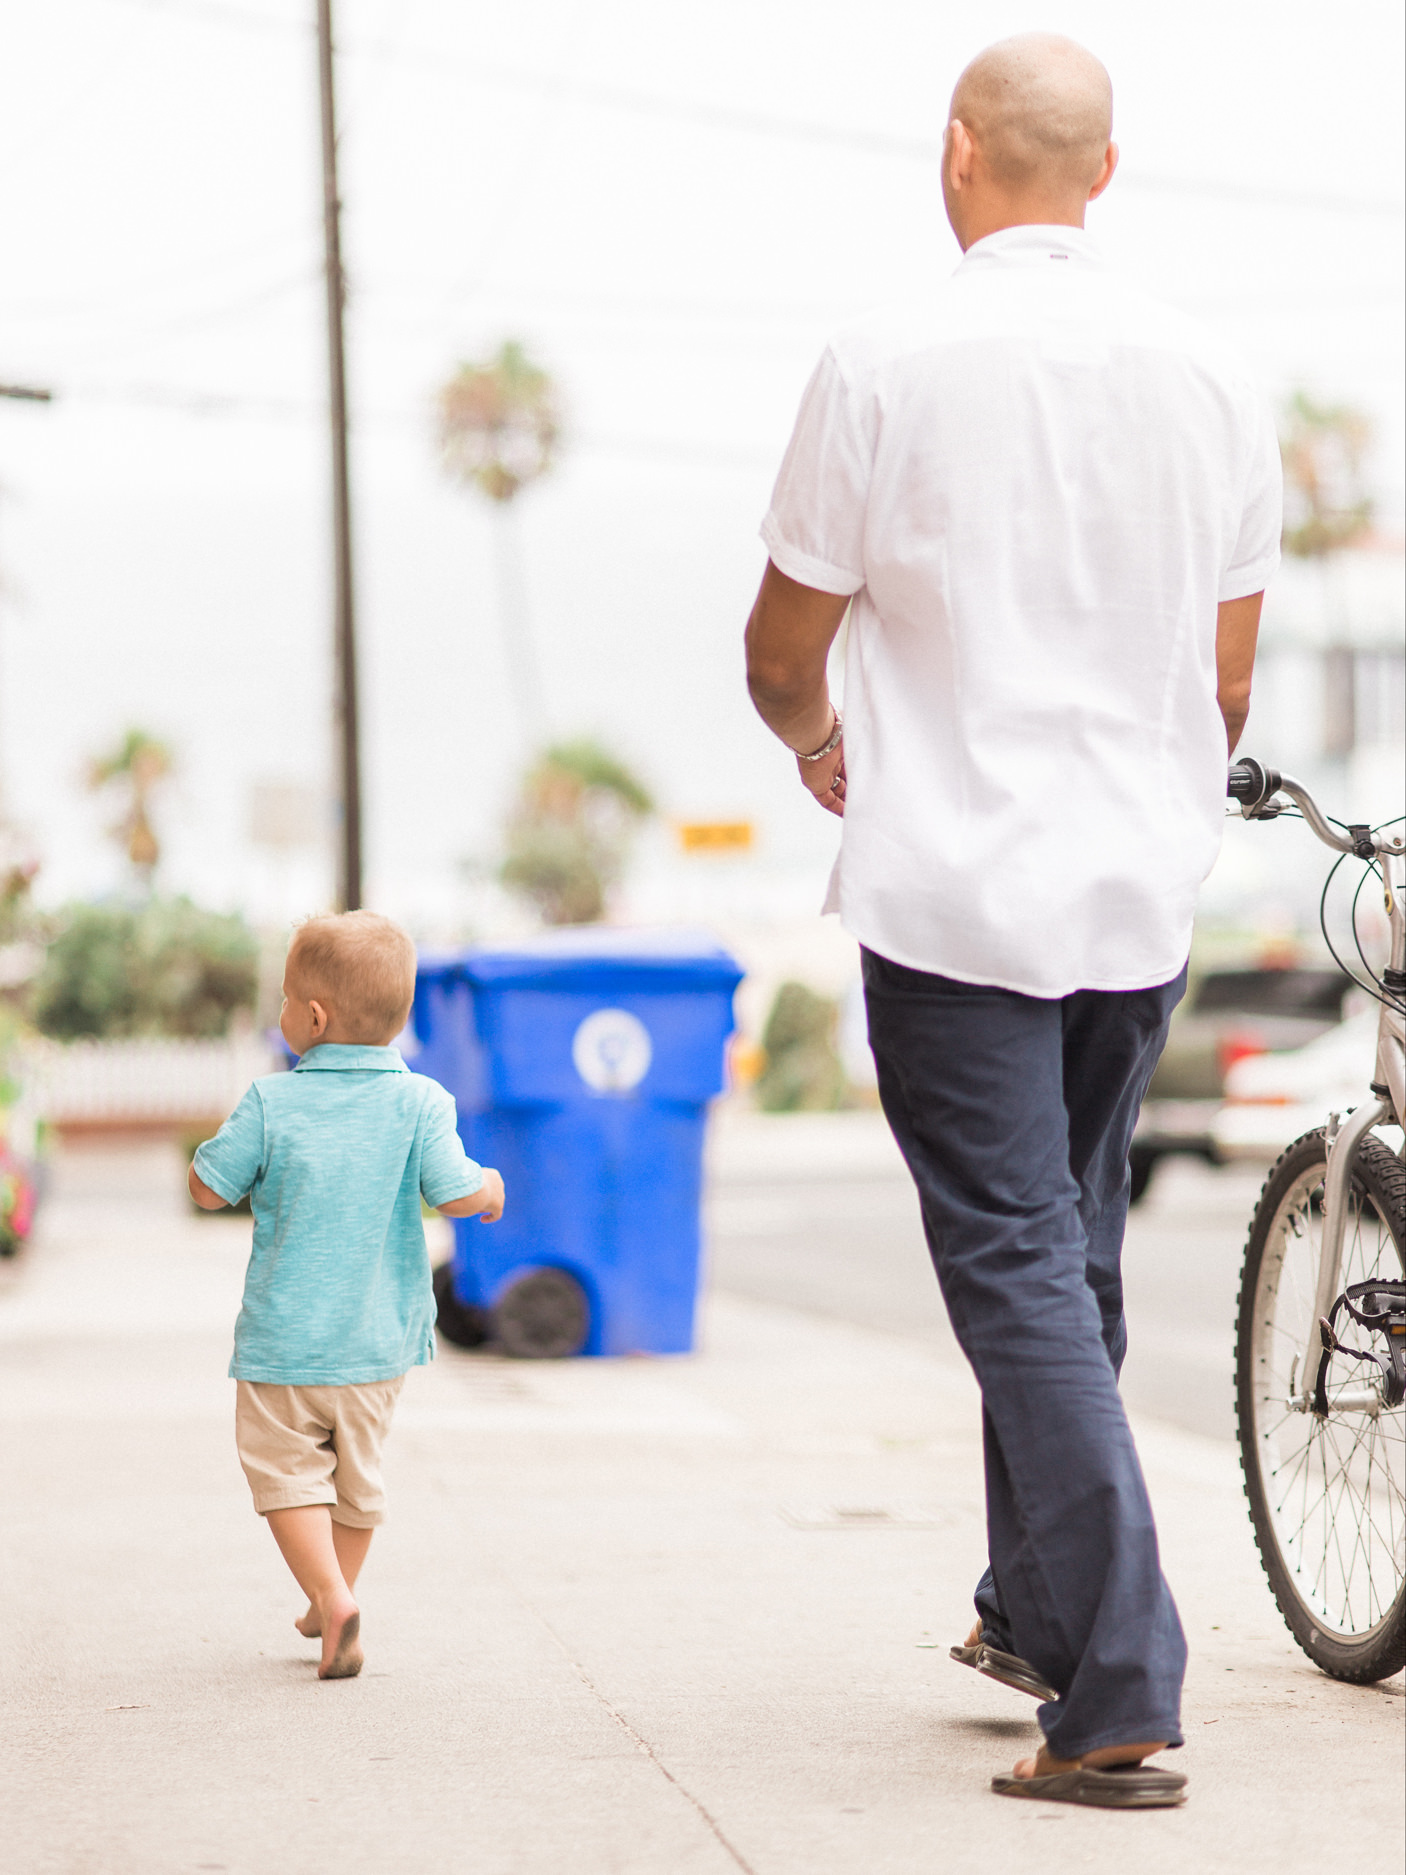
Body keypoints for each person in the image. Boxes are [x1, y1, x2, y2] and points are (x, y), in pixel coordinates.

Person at [745, 33, 1280, 1809]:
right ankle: (1039, 1613)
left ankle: (1119, 1683)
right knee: (1073, 1260)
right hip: (1135, 893)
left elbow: (779, 647)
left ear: (956, 154)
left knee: (1019, 1273)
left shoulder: (881, 359)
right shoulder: (1214, 373)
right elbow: (1222, 676)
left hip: (952, 885)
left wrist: (822, 744)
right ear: (1103, 174)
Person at [188, 910, 505, 1679]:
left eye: (288, 1000)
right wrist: (491, 1189)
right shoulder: (423, 1101)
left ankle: (327, 1595)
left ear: (315, 1017)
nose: (283, 1013)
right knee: (355, 1481)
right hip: (376, 1346)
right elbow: (457, 1191)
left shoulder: (272, 1102)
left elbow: (206, 1189)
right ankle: (336, 1594)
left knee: (286, 1472)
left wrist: (210, 1164)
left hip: (284, 1344)